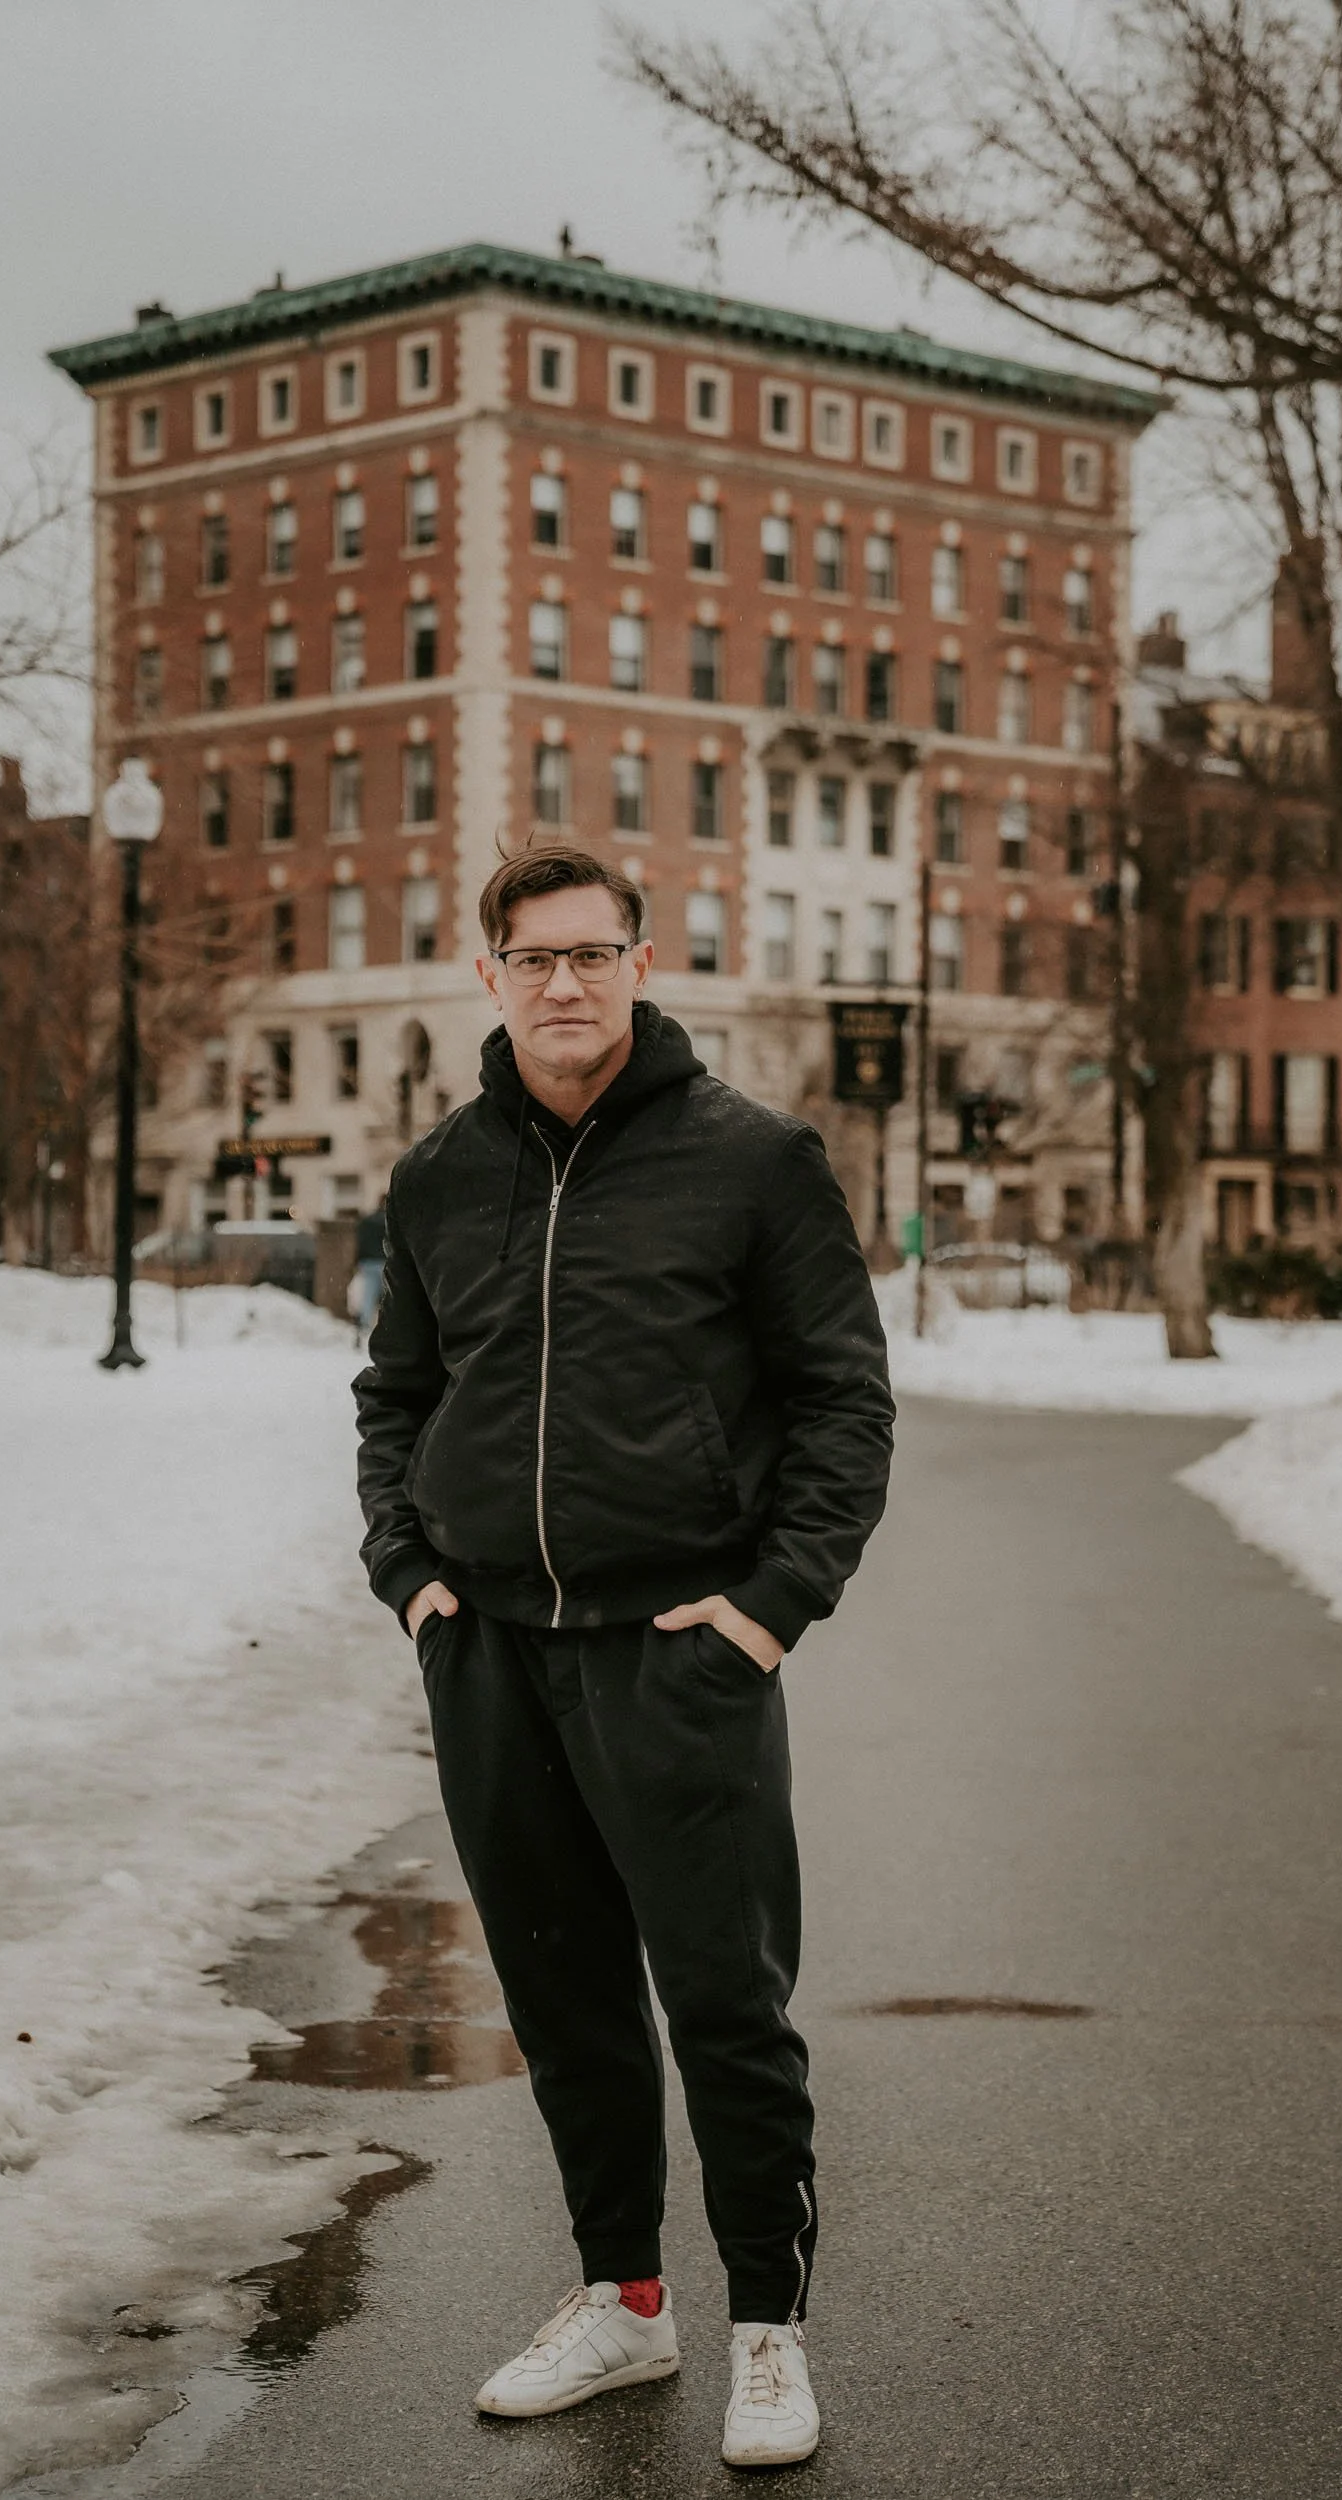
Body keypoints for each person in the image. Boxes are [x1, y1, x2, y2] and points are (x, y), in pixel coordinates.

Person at [354, 842, 892, 2469]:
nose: (566, 984)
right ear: (488, 976)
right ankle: (625, 2301)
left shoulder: (756, 1162)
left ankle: (770, 2335)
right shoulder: (442, 1176)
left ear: (644, 965)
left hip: (680, 1652)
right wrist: (408, 1576)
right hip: (494, 1657)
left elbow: (841, 1408)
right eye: (537, 959)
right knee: (565, 2001)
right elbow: (395, 1397)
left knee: (724, 2002)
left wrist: (766, 1609)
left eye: (595, 955)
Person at [350, 1198, 386, 1342]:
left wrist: (357, 1261)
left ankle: (364, 1325)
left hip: (367, 1262)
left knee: (368, 1296)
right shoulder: (389, 1221)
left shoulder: (366, 1222)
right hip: (384, 1262)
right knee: (390, 1297)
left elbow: (359, 1243)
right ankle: (388, 1327)